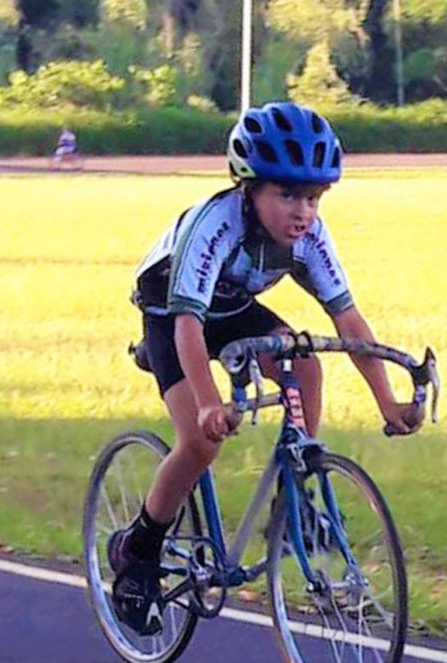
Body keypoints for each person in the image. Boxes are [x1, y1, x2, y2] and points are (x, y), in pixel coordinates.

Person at [109, 101, 421, 635]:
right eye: (287, 195)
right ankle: (138, 552)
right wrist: (209, 403)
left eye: (314, 197)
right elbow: (188, 324)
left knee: (305, 365)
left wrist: (387, 401)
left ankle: (294, 492)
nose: (302, 211)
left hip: (233, 308)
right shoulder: (216, 225)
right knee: (200, 443)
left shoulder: (310, 238)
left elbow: (348, 321)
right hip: (172, 314)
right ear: (249, 190)